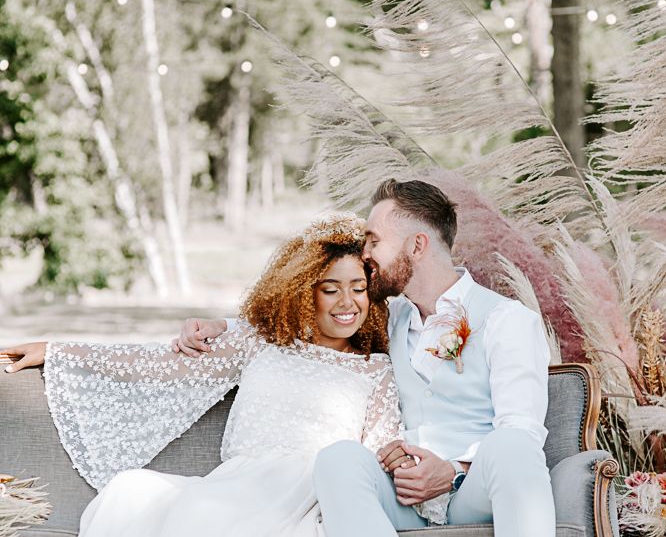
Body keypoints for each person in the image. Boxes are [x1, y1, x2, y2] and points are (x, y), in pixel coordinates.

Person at [176, 179, 556, 537]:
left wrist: (454, 470)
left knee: (513, 447)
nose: (365, 253)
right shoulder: (388, 317)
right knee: (338, 459)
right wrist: (223, 326)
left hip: (473, 493)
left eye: (374, 241)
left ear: (417, 246)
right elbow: (308, 322)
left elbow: (521, 430)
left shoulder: (507, 321)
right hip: (402, 496)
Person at [1, 214, 401, 537]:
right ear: (301, 293)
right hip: (236, 486)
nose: (348, 302)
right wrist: (57, 351)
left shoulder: (376, 369)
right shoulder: (259, 343)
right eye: (330, 289)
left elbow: (382, 454)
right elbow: (153, 366)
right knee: (132, 495)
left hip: (310, 494)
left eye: (359, 288)